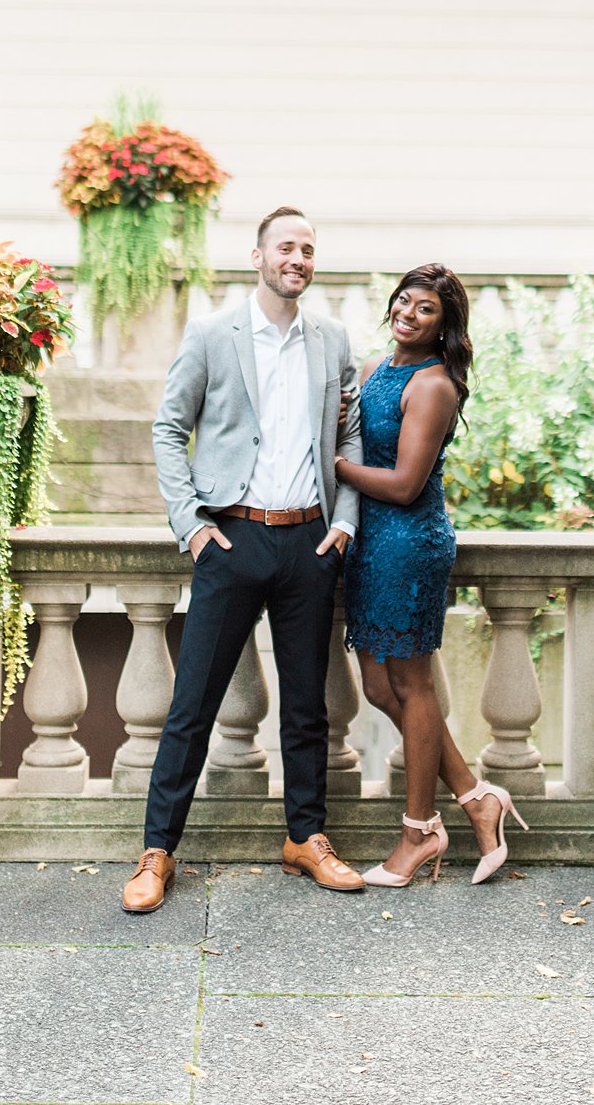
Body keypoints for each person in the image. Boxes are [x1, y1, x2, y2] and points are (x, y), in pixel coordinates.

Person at [121, 206, 367, 912]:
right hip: (230, 538)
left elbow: (348, 438)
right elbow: (169, 429)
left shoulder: (332, 340)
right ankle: (157, 852)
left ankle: (306, 838)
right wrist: (191, 525)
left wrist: (343, 525)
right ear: (257, 256)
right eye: (286, 246)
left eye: (309, 249)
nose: (298, 257)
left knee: (307, 707)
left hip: (309, 542)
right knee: (191, 704)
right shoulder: (211, 335)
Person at [336, 263, 528, 888]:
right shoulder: (373, 369)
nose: (408, 314)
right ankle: (477, 797)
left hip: (409, 545)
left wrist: (331, 465)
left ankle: (420, 830)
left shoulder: (435, 384)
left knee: (412, 686)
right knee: (378, 688)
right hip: (368, 547)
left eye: (426, 310)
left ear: (445, 327)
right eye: (404, 301)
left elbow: (403, 482)